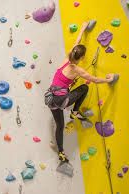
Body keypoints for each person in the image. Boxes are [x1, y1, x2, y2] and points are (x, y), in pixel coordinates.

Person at [48, 22, 114, 163]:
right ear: (82, 58)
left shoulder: (67, 58)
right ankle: (75, 111)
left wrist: (83, 28)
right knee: (84, 88)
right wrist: (109, 80)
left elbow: (76, 42)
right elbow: (94, 79)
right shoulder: (77, 69)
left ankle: (61, 152)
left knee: (60, 126)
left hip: (51, 98)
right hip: (61, 99)